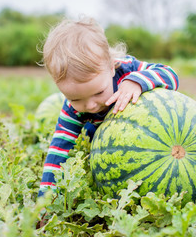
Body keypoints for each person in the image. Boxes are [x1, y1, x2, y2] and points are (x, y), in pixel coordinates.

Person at [38, 17, 179, 199]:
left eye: (98, 93)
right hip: (108, 147)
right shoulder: (71, 109)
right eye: (75, 98)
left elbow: (171, 75)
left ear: (112, 68)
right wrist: (45, 200)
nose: (90, 105)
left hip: (150, 138)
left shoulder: (127, 69)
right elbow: (58, 150)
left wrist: (136, 82)